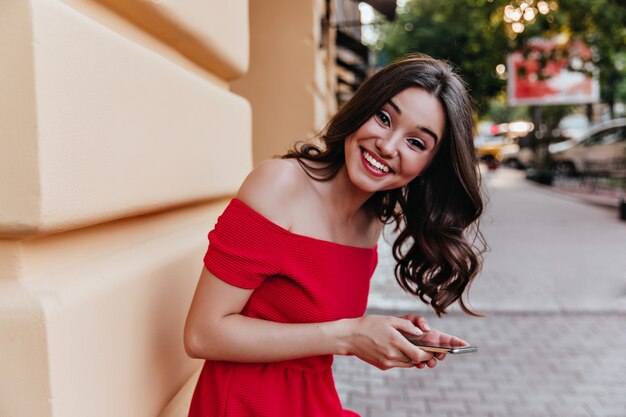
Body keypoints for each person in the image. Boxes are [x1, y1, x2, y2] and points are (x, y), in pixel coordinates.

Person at [184, 54, 485, 417]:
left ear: (428, 168)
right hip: (244, 405)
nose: (387, 146)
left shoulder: (371, 219)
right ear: (361, 109)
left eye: (416, 143)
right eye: (384, 117)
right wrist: (350, 335)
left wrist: (388, 333)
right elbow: (202, 333)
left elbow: (315, 322)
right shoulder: (280, 185)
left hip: (312, 402)